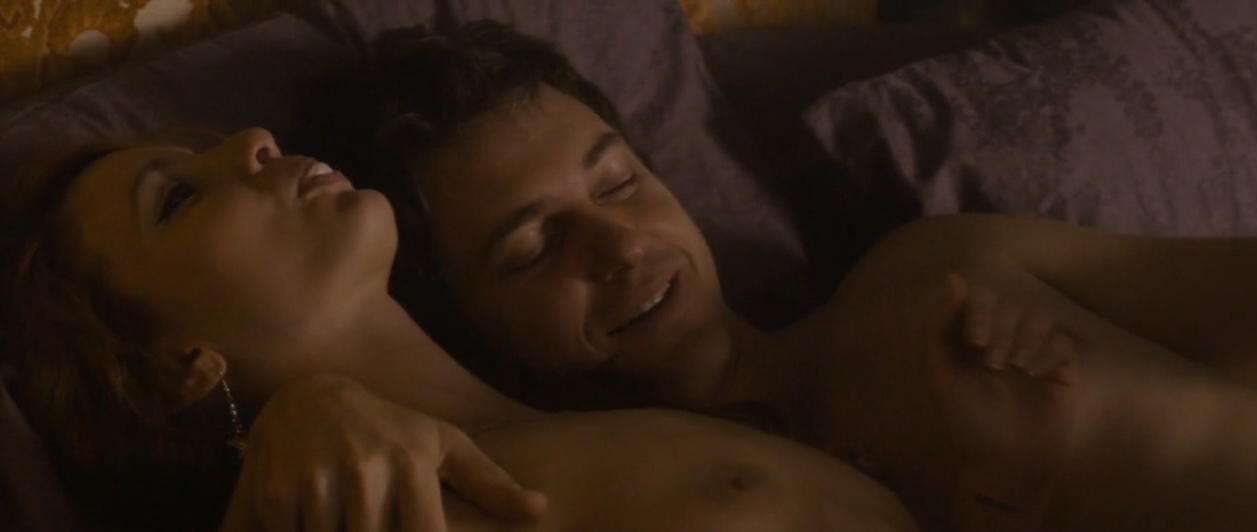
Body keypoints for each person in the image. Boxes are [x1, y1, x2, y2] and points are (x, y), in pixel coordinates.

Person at [352, 20, 1257, 532]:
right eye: (533, 248)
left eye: (620, 183)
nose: (620, 246)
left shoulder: (937, 271)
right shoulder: (604, 500)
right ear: (464, 326)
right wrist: (1007, 484)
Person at [0, 120, 956, 532]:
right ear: (178, 367)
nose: (251, 142)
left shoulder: (589, 416)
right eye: (176, 199)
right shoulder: (373, 512)